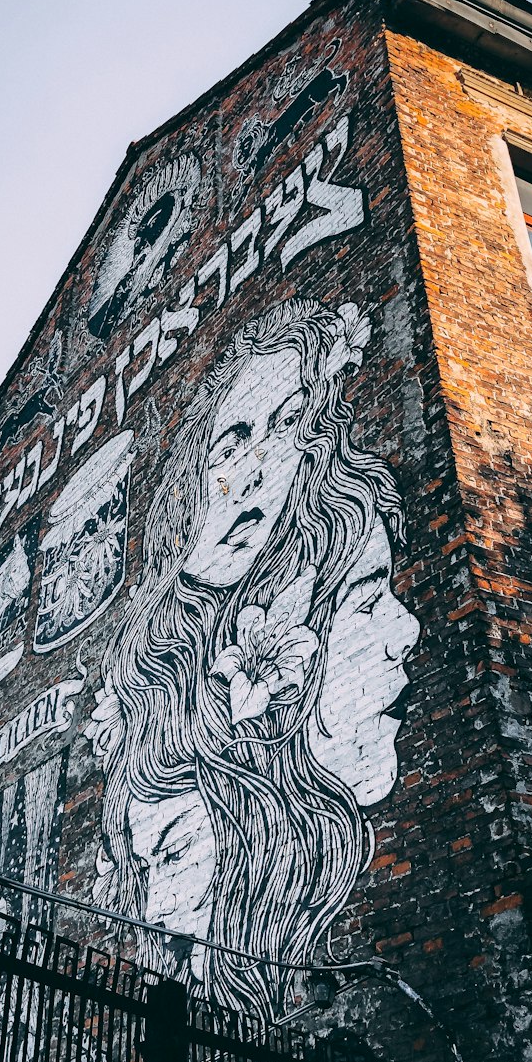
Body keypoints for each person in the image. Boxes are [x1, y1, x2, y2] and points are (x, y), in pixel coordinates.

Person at [86, 297, 419, 1018]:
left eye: (287, 427)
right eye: (232, 441)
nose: (260, 468)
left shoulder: (318, 544)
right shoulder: (163, 687)